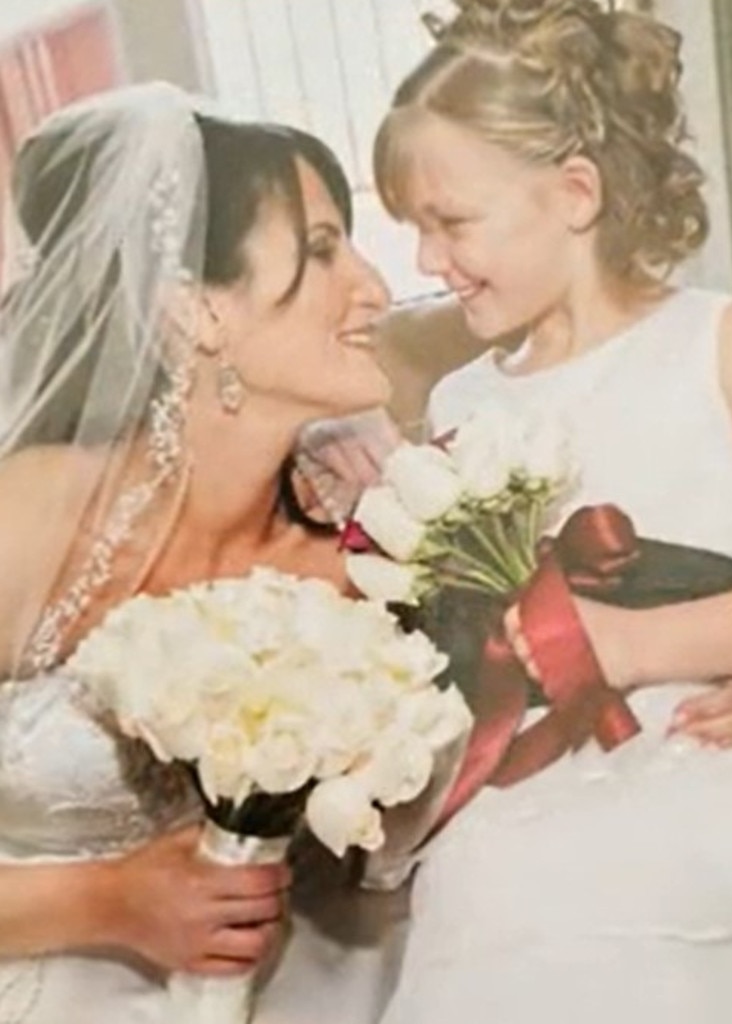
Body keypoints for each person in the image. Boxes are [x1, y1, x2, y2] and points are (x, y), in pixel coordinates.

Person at [357, 1, 732, 1021]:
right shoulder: (457, 404)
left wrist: (631, 642)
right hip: (520, 832)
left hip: (713, 790)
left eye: (451, 223)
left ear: (575, 193)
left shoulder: (726, 346)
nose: (427, 262)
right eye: (414, 229)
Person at [0, 81, 417, 1023]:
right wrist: (104, 899)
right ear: (198, 315)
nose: (375, 288)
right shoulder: (32, 519)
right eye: (320, 251)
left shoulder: (360, 559)